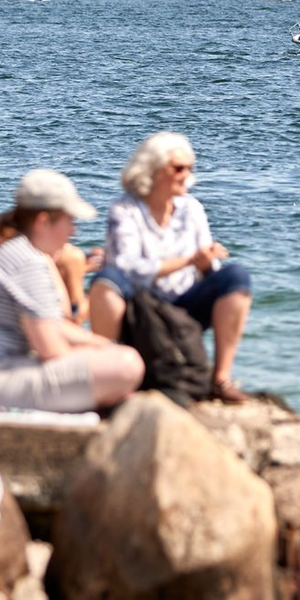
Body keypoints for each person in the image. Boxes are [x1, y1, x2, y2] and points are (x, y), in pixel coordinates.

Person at [0, 170, 143, 411]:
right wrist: (101, 351)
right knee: (127, 365)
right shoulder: (27, 261)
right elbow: (51, 350)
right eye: (69, 221)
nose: (73, 231)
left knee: (113, 356)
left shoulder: (8, 249)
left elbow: (53, 325)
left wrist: (99, 343)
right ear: (42, 222)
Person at [88, 132, 253, 403]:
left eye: (189, 168)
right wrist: (187, 261)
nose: (186, 175)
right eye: (178, 168)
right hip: (139, 306)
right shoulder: (125, 209)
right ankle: (110, 378)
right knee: (106, 282)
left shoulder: (192, 209)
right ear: (153, 170)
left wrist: (204, 264)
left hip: (184, 303)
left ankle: (221, 380)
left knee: (235, 276)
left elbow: (207, 268)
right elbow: (126, 269)